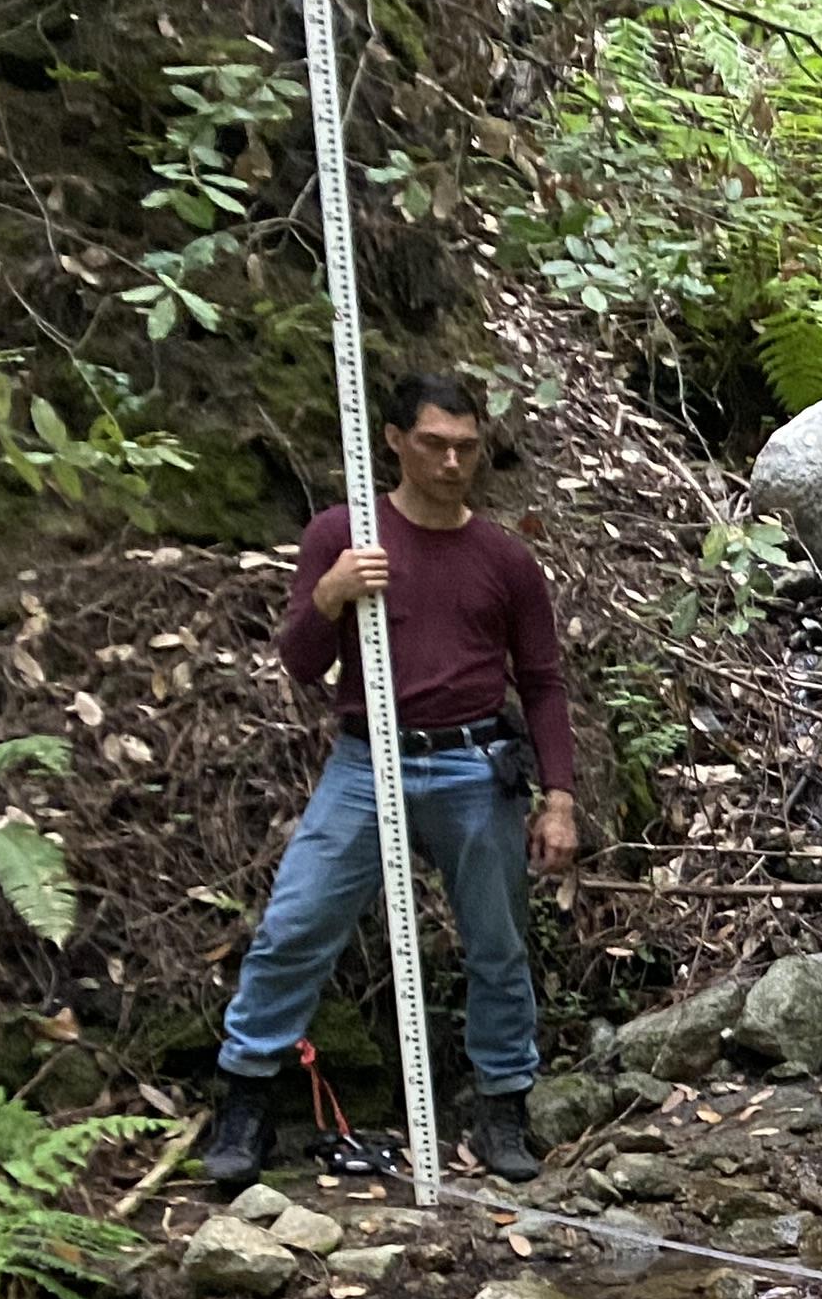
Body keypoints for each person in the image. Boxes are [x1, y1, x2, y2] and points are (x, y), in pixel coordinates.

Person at [212, 370, 579, 1189]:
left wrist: (559, 796)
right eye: (433, 445)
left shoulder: (505, 558)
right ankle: (244, 1103)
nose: (452, 463)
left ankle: (501, 1108)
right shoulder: (344, 535)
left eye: (467, 448)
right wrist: (334, 594)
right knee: (297, 924)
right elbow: (303, 662)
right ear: (394, 440)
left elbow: (543, 681)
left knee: (496, 943)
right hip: (364, 759)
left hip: (475, 763)